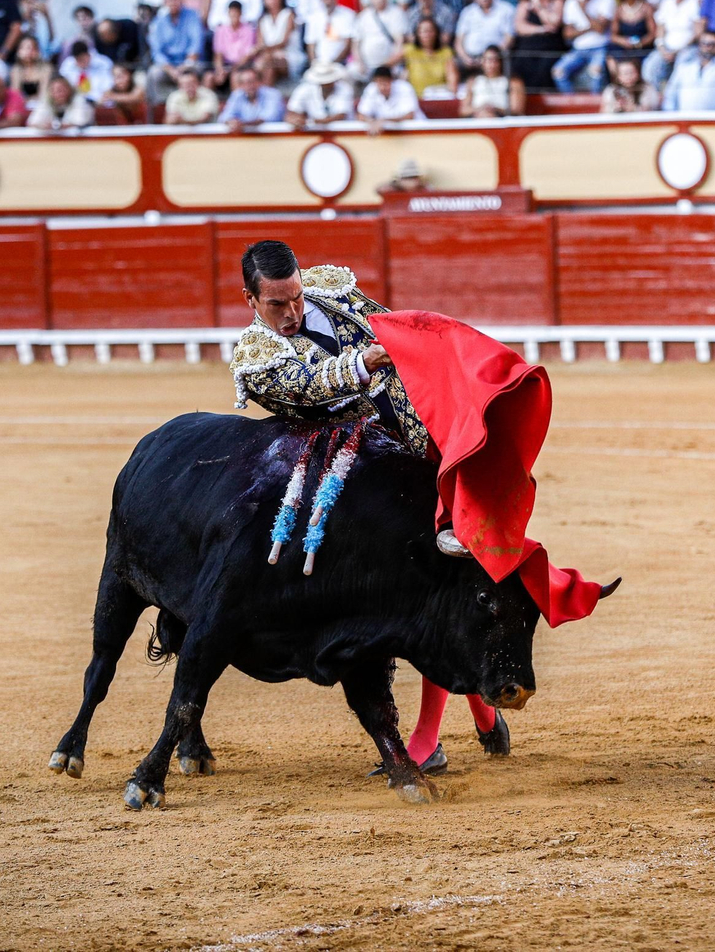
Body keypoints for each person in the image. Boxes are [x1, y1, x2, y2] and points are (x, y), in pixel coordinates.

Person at [228, 241, 535, 775]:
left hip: (429, 446)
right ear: (250, 299)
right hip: (368, 489)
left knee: (441, 589)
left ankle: (441, 734)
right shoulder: (255, 355)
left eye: (296, 298)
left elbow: (395, 329)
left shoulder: (332, 290)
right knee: (417, 599)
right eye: (277, 304)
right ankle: (471, 723)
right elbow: (309, 386)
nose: (292, 312)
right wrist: (364, 360)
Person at [552, 0, 615, 93]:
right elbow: (567, 33)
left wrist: (584, 8)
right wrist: (589, 28)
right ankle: (571, 104)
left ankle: (596, 106)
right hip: (578, 49)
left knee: (595, 71)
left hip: (600, 47)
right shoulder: (571, 2)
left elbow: (600, 29)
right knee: (558, 71)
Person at [661, 30, 715, 111]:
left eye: (712, 44)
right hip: (684, 119)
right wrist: (670, 113)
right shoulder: (684, 68)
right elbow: (671, 93)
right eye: (704, 43)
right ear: (699, 45)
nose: (707, 47)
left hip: (714, 121)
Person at [285, 58, 355, 126]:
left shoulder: (344, 88)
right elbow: (292, 112)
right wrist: (295, 120)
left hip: (342, 132)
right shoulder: (304, 89)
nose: (326, 83)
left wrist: (310, 122)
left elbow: (341, 116)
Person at [218, 65, 286, 131]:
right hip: (247, 139)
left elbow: (270, 117)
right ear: (241, 85)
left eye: (252, 81)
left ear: (260, 81)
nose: (250, 85)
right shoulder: (237, 95)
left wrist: (243, 125)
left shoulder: (272, 94)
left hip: (274, 138)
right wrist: (231, 122)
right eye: (245, 82)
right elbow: (224, 117)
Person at [461, 46, 523, 117]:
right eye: (488, 60)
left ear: (500, 62)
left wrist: (495, 109)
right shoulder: (473, 81)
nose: (492, 65)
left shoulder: (513, 82)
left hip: (502, 119)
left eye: (495, 60)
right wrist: (481, 108)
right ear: (482, 62)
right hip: (477, 118)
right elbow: (463, 110)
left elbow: (517, 109)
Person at [357, 63, 422, 131]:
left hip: (416, 130)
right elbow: (361, 115)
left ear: (392, 81)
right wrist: (372, 122)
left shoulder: (404, 88)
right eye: (379, 82)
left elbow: (410, 116)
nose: (383, 87)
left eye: (385, 83)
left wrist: (384, 121)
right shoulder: (371, 89)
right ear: (375, 82)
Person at [27, 73, 93, 129]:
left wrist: (62, 126)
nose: (58, 94)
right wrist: (42, 126)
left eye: (61, 90)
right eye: (54, 91)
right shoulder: (46, 100)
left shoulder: (79, 100)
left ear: (69, 89)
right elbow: (32, 123)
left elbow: (80, 122)